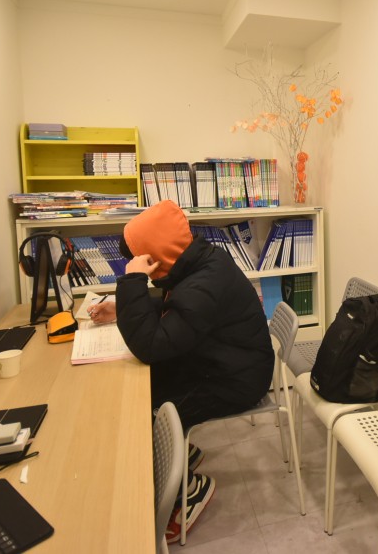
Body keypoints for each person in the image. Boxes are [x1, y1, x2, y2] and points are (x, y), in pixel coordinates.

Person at [88, 201, 273, 543]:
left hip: (237, 378)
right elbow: (179, 306)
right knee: (151, 388)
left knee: (154, 410)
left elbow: (151, 345)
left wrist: (132, 282)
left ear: (159, 256)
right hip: (222, 360)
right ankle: (182, 454)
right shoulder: (198, 262)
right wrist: (123, 307)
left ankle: (191, 490)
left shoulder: (204, 283)